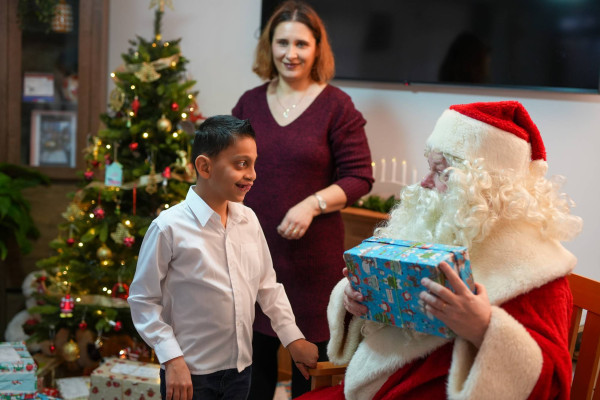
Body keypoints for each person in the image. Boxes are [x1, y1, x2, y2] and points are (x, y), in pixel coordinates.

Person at [299, 101, 583, 399]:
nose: (424, 182)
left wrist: (483, 328)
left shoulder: (534, 269)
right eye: (429, 167)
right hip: (379, 388)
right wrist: (357, 300)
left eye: (441, 171)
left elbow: (552, 381)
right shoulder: (433, 233)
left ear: (483, 187)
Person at [232, 1, 374, 398]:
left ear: (316, 49)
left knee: (308, 377)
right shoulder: (249, 103)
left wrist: (311, 204)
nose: (290, 53)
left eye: (301, 44)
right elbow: (231, 166)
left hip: (312, 266)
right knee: (250, 373)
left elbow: (360, 177)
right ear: (269, 47)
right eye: (281, 43)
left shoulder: (336, 106)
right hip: (253, 257)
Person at [128, 115, 319, 400]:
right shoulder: (168, 227)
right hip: (188, 375)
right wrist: (171, 359)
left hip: (240, 373)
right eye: (241, 164)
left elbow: (267, 287)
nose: (252, 174)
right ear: (205, 166)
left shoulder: (248, 220)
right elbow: (143, 301)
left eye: (254, 163)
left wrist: (293, 338)